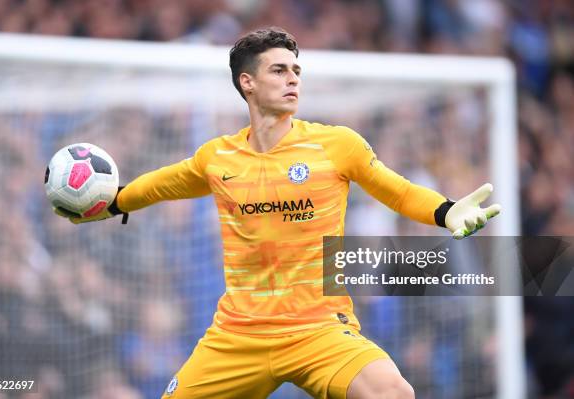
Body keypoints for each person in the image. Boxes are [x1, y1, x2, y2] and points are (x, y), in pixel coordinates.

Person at [55, 27, 500, 399]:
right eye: (279, 70)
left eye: (296, 71)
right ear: (247, 83)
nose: (293, 80)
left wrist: (445, 212)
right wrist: (111, 202)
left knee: (395, 393)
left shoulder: (336, 145)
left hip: (317, 328)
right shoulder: (219, 157)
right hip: (238, 334)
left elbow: (399, 192)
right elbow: (160, 184)